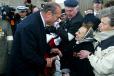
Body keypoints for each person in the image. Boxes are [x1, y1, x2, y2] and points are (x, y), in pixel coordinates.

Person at [6, 2, 61, 76]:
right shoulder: (30, 26)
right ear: (49, 14)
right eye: (57, 17)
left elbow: (37, 40)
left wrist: (49, 49)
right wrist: (44, 63)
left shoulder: (38, 19)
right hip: (22, 70)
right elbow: (28, 53)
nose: (58, 20)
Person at [78, 6, 114, 76]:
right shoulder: (103, 36)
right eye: (100, 22)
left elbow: (104, 68)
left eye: (103, 23)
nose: (99, 25)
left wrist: (89, 55)